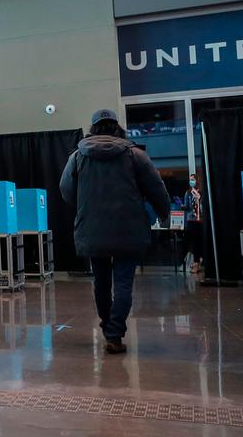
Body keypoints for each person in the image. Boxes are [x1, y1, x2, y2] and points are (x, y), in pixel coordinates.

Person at [60, 109, 170, 355]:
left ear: (93, 129)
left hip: (93, 229)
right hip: (128, 230)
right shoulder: (135, 156)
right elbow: (156, 189)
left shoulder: (77, 157)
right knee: (123, 284)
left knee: (101, 282)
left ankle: (107, 325)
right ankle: (115, 333)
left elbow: (66, 191)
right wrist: (163, 213)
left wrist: (85, 207)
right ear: (117, 128)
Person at [183, 174, 205, 274]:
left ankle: (199, 261)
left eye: (193, 180)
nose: (191, 181)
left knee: (199, 241)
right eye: (190, 180)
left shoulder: (200, 192)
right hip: (191, 220)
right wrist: (181, 205)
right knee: (193, 241)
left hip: (199, 220)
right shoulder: (188, 193)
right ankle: (196, 262)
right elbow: (186, 206)